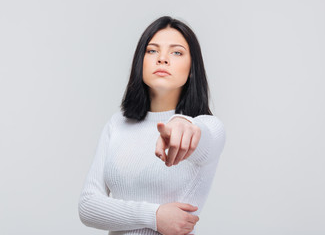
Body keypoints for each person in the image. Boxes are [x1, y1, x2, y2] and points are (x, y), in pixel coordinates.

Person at [78, 16, 226, 235]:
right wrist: (154, 216)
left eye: (176, 52)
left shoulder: (209, 126)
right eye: (152, 51)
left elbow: (200, 134)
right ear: (141, 62)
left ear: (192, 68)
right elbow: (88, 206)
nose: (163, 59)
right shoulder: (118, 124)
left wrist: (182, 122)